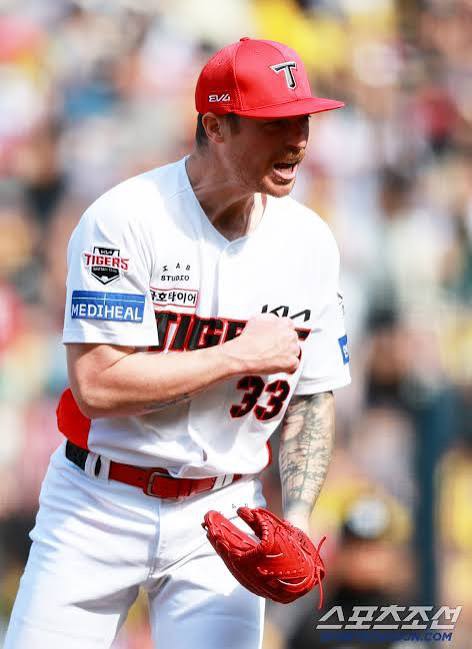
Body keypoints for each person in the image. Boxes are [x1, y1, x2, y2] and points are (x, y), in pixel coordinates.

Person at [4, 37, 351, 649]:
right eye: (275, 122)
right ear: (215, 126)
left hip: (222, 513)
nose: (298, 139)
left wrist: (296, 518)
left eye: (303, 119)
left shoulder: (310, 242)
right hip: (99, 502)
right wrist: (236, 355)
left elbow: (313, 394)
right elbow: (97, 385)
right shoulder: (127, 219)